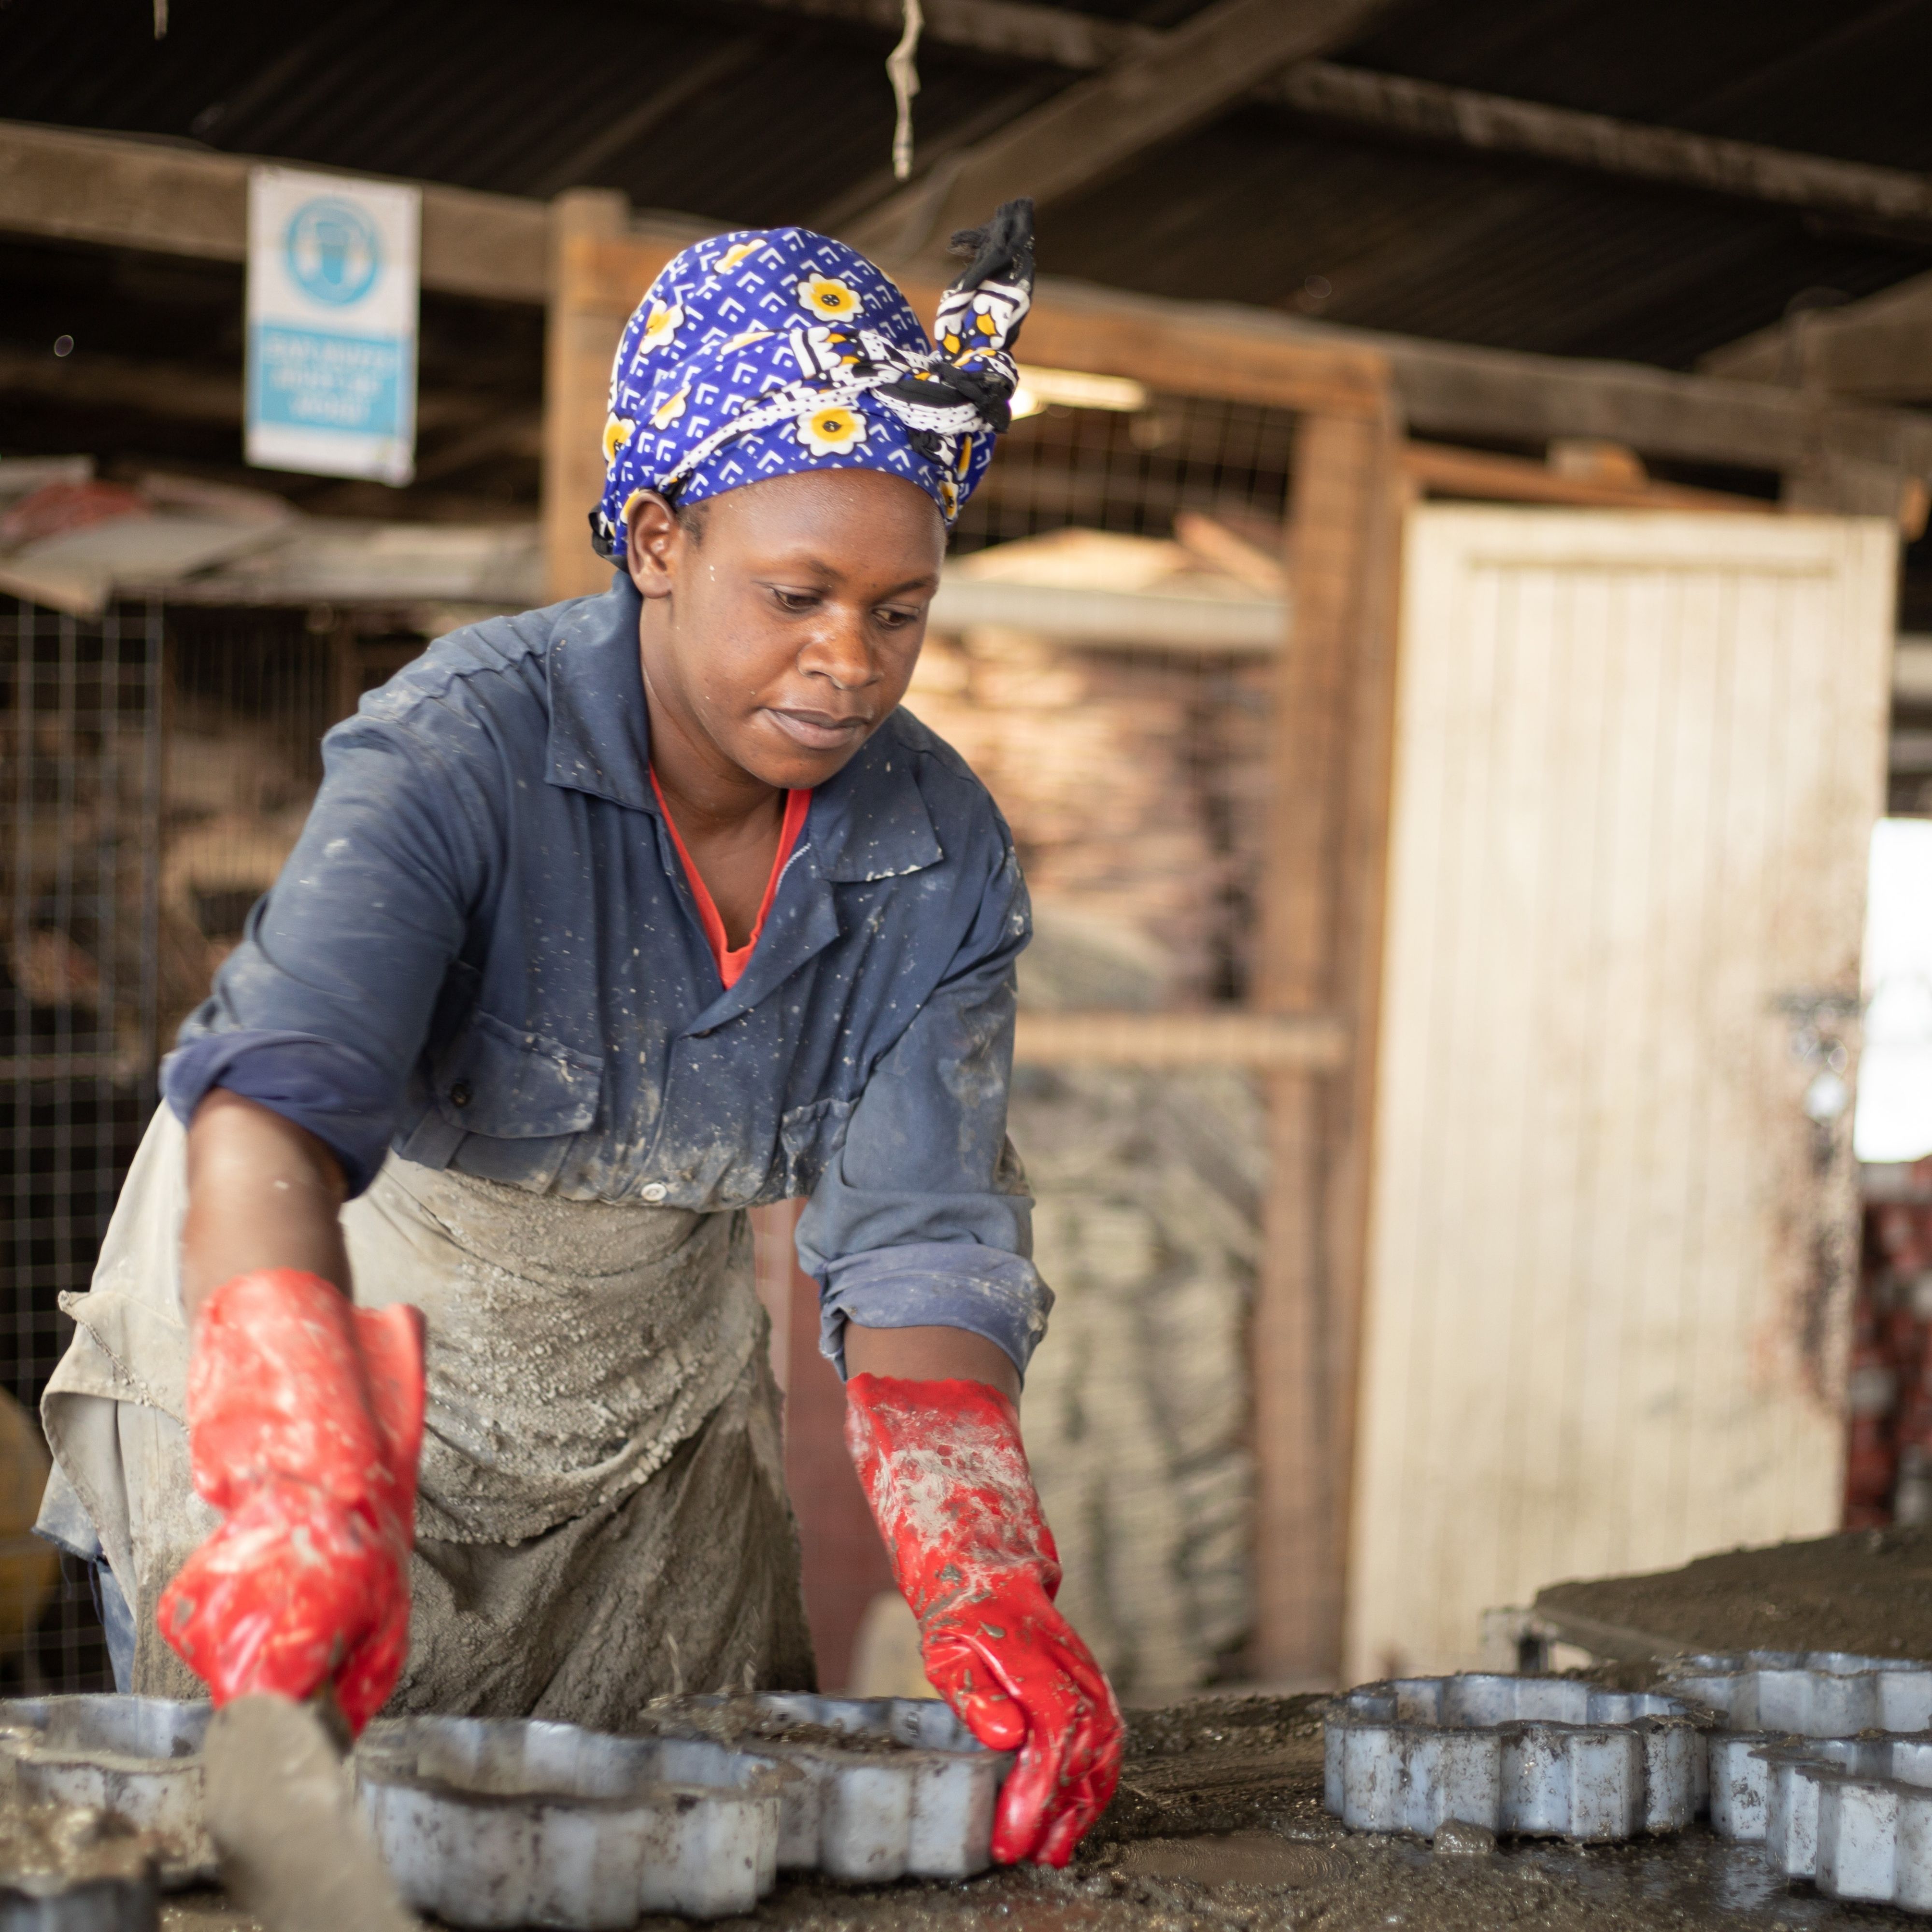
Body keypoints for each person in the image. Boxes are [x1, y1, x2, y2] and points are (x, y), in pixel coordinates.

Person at [34, 200, 1122, 1865]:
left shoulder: (933, 846)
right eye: (798, 595)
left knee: (675, 1841)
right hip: (317, 1325)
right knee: (293, 1863)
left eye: (899, 612)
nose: (849, 662)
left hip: (644, 1405)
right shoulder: (461, 745)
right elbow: (274, 1104)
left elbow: (922, 1239)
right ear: (659, 540)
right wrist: (301, 1453)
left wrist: (980, 1568)